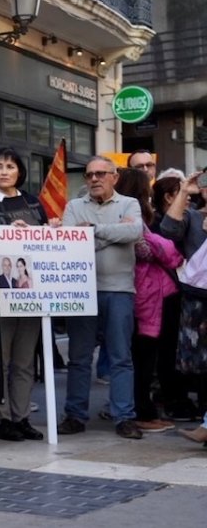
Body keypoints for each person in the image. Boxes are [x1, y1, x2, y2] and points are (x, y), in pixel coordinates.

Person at [59, 156, 144, 440]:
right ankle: (75, 415)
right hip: (81, 291)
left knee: (121, 358)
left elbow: (135, 231)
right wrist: (115, 233)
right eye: (89, 175)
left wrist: (93, 231)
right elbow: (69, 243)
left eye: (100, 174)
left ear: (114, 177)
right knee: (79, 358)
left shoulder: (129, 204)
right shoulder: (74, 206)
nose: (94, 179)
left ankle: (124, 417)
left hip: (120, 290)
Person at [0, 147, 52, 443]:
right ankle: (2, 419)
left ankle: (22, 417)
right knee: (1, 359)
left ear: (20, 171)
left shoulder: (33, 201)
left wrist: (51, 229)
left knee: (24, 362)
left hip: (30, 293)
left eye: (10, 166)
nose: (4, 172)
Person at [115, 167, 181, 434]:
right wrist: (165, 248)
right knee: (143, 355)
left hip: (143, 291)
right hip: (144, 293)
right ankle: (141, 411)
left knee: (141, 354)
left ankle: (141, 408)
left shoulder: (129, 216)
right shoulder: (133, 219)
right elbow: (157, 250)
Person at [157, 173, 207, 431]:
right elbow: (168, 229)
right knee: (201, 364)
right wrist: (185, 190)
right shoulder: (193, 217)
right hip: (197, 299)